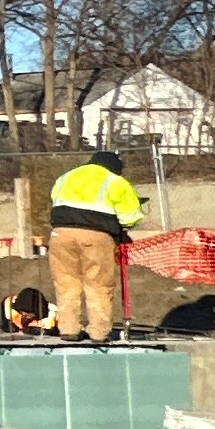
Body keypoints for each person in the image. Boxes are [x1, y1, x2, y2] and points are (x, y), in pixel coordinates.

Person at [42, 146, 146, 340]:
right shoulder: (116, 181)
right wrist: (121, 226)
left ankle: (69, 329)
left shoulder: (67, 177)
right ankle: (98, 333)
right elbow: (130, 217)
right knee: (98, 285)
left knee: (66, 283)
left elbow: (55, 199)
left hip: (61, 234)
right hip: (97, 236)